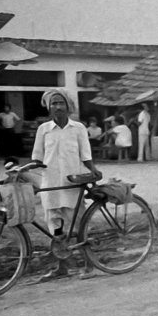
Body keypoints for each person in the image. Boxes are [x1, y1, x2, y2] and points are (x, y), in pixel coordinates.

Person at [29, 89, 101, 280]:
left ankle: (89, 265)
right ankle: (62, 267)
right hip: (51, 184)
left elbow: (85, 155)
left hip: (72, 184)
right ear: (49, 107)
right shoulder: (43, 129)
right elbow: (37, 157)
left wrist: (93, 171)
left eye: (61, 103)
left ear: (68, 106)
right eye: (54, 103)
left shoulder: (78, 128)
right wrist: (23, 171)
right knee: (56, 227)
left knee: (79, 224)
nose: (58, 107)